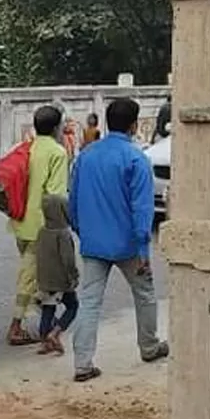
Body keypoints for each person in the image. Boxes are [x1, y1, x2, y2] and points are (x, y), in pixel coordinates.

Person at [67, 97, 169, 382]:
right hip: (127, 245)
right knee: (145, 294)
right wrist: (143, 251)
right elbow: (142, 209)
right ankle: (149, 346)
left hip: (93, 244)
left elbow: (72, 202)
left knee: (89, 302)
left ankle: (82, 364)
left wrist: (81, 230)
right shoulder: (136, 159)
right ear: (135, 125)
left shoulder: (85, 156)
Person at [6, 105, 71, 345]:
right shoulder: (57, 153)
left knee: (33, 273)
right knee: (30, 276)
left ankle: (42, 321)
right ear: (56, 127)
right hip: (41, 226)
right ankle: (16, 326)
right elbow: (56, 196)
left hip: (19, 220)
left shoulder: (26, 148)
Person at [35, 194, 80, 356]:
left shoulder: (42, 231)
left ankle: (43, 342)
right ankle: (55, 332)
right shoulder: (63, 234)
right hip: (61, 280)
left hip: (45, 280)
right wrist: (73, 277)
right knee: (73, 306)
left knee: (48, 308)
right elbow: (68, 260)